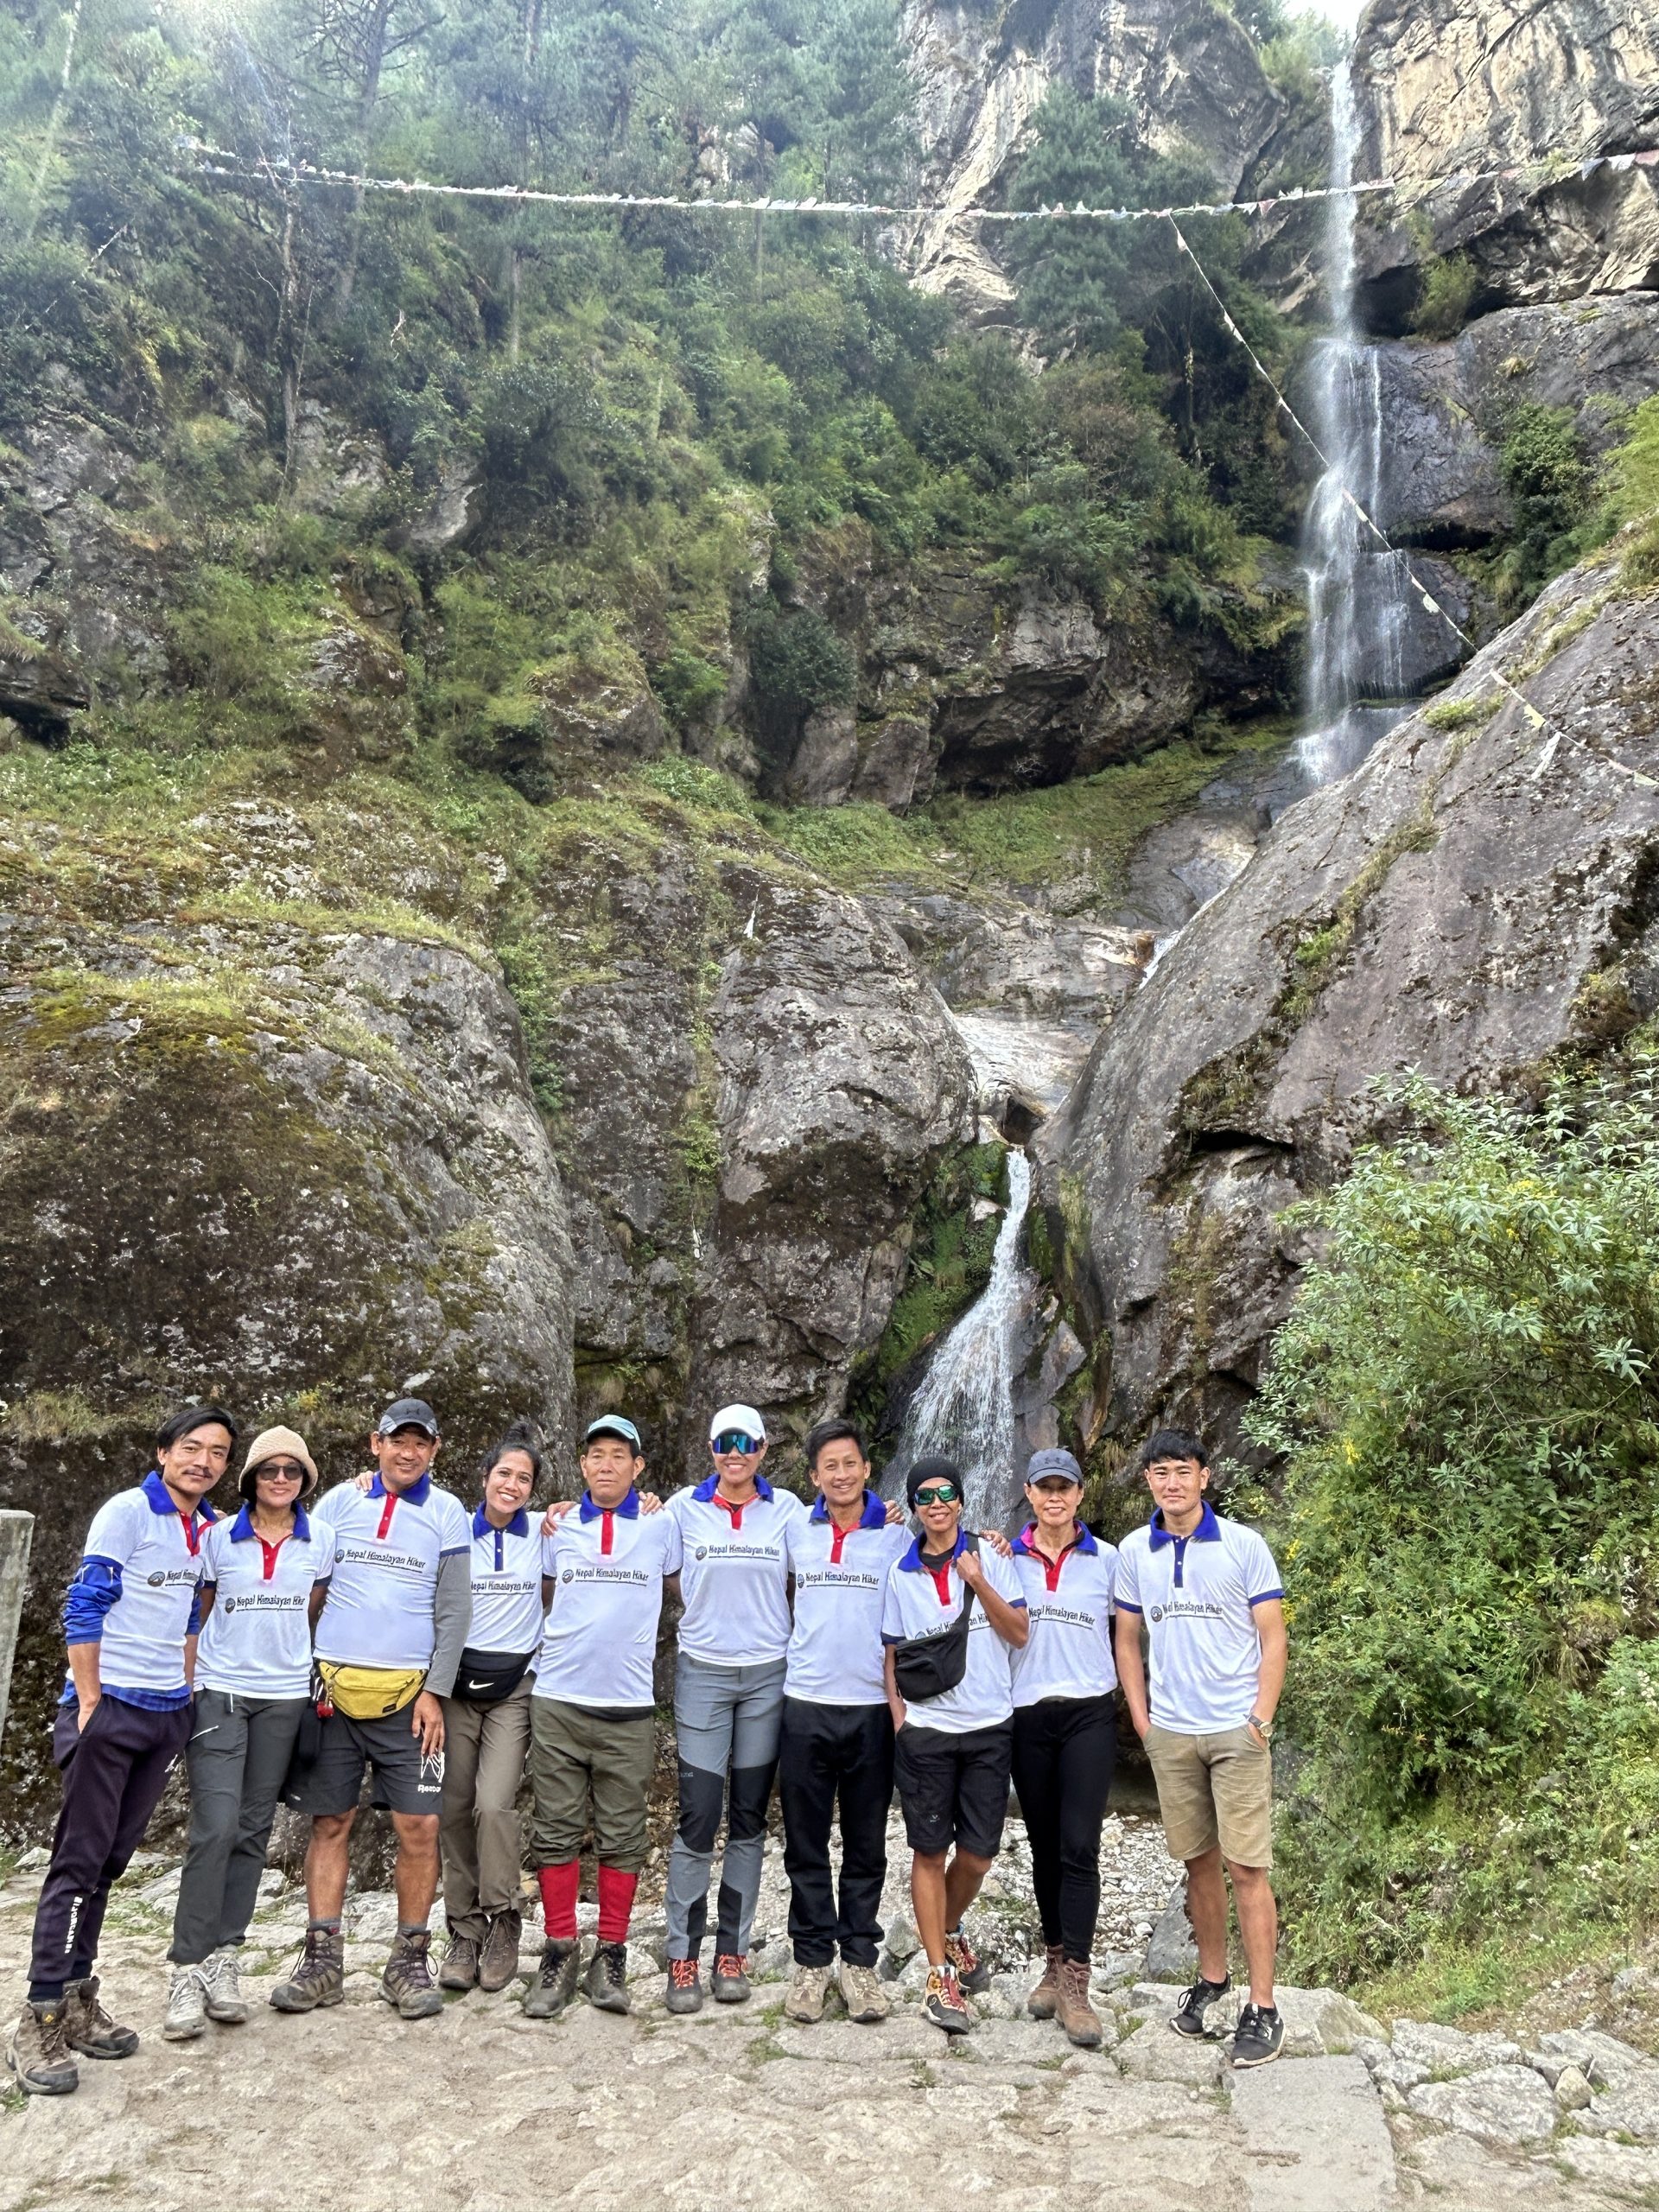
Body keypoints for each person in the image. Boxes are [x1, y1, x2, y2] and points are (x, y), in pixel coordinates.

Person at [7, 1406, 234, 2097]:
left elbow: (194, 1612)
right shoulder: (127, 1512)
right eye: (191, 1447)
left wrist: (188, 1688)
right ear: (163, 1451)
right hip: (110, 1709)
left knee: (110, 1862)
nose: (203, 1461)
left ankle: (78, 1997)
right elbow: (85, 1603)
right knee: (77, 1860)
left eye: (218, 1453)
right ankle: (38, 2012)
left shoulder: (204, 1528)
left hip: (166, 1711)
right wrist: (90, 1701)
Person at [270, 1397, 471, 2023]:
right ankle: (322, 1959)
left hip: (409, 1702)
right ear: (374, 1444)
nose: (408, 1452)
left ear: (435, 1451)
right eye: (397, 1440)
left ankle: (409, 1958)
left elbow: (454, 1610)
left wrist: (436, 1691)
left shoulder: (447, 1514)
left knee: (420, 1827)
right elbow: (305, 1584)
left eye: (421, 1442)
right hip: (330, 1694)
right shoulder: (336, 1503)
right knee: (330, 1822)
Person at [1114, 1427, 1288, 2069]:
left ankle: (1263, 2006)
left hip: (1235, 1729)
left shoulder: (1244, 1546)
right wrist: (1142, 1720)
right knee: (1198, 1864)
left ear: (1205, 1477)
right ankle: (1212, 1981)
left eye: (1183, 1470)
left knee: (1248, 1869)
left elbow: (1273, 1637)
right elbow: (1127, 1640)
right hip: (1172, 1732)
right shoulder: (1136, 1551)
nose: (1172, 1482)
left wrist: (1260, 1719)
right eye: (1160, 1471)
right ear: (1149, 1482)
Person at [164, 1425, 334, 2043]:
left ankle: (224, 1958)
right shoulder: (216, 1540)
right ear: (251, 1480)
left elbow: (315, 1605)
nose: (282, 1480)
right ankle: (186, 1967)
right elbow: (196, 1611)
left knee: (254, 1828)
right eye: (270, 1471)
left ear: (305, 1481)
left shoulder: (322, 1541)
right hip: (220, 1692)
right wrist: (185, 1685)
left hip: (285, 1698)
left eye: (293, 1471)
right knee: (213, 1826)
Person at [524, 1414, 681, 2020]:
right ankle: (560, 1946)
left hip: (630, 1704)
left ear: (638, 1467)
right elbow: (539, 1592)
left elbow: (682, 1586)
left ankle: (610, 1952)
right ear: (583, 1466)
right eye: (597, 1455)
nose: (607, 1464)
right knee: (555, 1827)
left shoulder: (662, 1525)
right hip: (559, 1697)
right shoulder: (554, 1526)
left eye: (620, 1454)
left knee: (624, 1832)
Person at [661, 1403, 805, 2013]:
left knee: (748, 1816)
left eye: (746, 1441)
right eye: (725, 1441)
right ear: (711, 1447)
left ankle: (732, 1953)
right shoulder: (679, 1508)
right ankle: (681, 1956)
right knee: (697, 1814)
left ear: (765, 1448)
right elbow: (660, 1569)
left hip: (768, 1676)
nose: (735, 1451)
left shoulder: (790, 1510)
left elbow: (835, 1549)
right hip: (703, 1674)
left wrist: (894, 1513)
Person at [882, 1455, 1029, 2037]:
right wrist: (901, 1723)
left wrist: (978, 1580)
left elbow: (1019, 1632)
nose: (937, 1503)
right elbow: (890, 1656)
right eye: (925, 1496)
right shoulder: (901, 1572)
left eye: (947, 1493)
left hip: (990, 1726)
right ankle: (940, 1974)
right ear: (915, 1507)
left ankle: (948, 1928)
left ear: (962, 1501)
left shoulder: (992, 1555)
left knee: (977, 1856)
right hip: (927, 1732)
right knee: (926, 1852)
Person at [778, 1420, 911, 2027]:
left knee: (865, 1843)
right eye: (829, 1465)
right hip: (804, 1702)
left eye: (850, 1463)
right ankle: (810, 1962)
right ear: (814, 1477)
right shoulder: (793, 1529)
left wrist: (997, 1541)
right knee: (805, 1842)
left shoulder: (892, 1534)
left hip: (871, 1709)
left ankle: (858, 1961)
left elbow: (948, 1546)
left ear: (865, 1468)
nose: (840, 1474)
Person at [1008, 1446, 1119, 2050]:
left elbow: (1132, 1630)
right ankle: (1052, 1963)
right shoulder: (1007, 1560)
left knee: (1080, 1846)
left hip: (1088, 1716)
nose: (1055, 1496)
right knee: (1043, 1848)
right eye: (1045, 1487)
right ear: (1029, 1493)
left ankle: (1077, 1981)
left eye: (1066, 1487)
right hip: (1026, 1714)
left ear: (1080, 1495)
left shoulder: (1109, 1559)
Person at [437, 1422, 545, 1997]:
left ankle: (504, 1917)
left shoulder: (546, 1533)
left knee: (494, 1802)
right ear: (484, 1478)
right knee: (453, 1806)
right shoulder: (453, 1530)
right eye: (504, 1473)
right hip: (453, 1687)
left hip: (514, 1687)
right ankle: (463, 1930)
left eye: (523, 1477)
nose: (512, 1484)